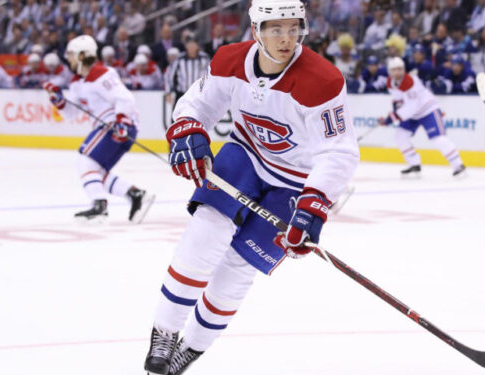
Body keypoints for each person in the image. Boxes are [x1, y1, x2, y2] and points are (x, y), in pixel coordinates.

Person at [143, 0, 360, 373]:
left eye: (293, 28)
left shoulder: (323, 80)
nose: (285, 38)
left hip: (294, 181)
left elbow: (338, 152)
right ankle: (165, 331)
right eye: (276, 28)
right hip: (244, 156)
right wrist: (188, 128)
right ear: (256, 29)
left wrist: (313, 206)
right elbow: (197, 104)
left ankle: (192, 348)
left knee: (240, 267)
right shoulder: (229, 61)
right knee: (205, 232)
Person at [41, 35, 154, 223]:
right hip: (111, 127)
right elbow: (71, 113)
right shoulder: (77, 82)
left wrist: (123, 122)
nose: (67, 58)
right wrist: (58, 99)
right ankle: (134, 194)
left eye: (71, 54)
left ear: (82, 55)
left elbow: (124, 98)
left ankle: (99, 205)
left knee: (84, 161)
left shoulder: (102, 74)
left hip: (115, 126)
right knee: (94, 170)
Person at [379, 57, 465, 178]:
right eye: (394, 70)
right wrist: (392, 114)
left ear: (404, 70)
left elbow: (412, 106)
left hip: (427, 110)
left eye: (399, 69)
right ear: (389, 71)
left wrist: (392, 117)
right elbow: (397, 100)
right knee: (400, 135)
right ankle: (414, 164)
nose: (397, 72)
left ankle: (458, 165)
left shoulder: (411, 82)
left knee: (438, 138)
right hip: (412, 115)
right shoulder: (390, 83)